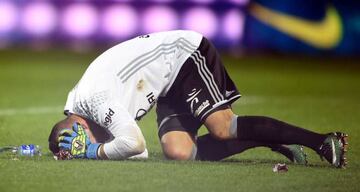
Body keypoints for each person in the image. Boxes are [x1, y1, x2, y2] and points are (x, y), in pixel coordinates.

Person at [48, 30, 348, 167]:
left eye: (80, 138)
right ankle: (267, 138)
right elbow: (134, 153)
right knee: (180, 152)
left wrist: (93, 153)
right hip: (166, 82)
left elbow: (134, 145)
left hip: (184, 55)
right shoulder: (81, 108)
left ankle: (322, 141)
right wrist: (98, 148)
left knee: (223, 127)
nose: (85, 140)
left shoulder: (96, 100)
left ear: (78, 124)